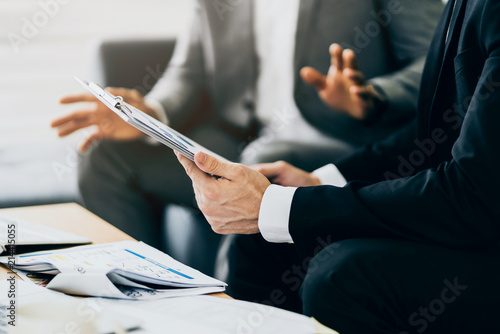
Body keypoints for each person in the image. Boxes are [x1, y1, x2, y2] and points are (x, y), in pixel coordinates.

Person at [175, 0, 500, 332]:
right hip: (467, 211)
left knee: (342, 277)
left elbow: (474, 195)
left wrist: (284, 207)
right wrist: (319, 181)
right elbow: (429, 138)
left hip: (483, 233)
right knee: (262, 241)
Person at [51, 0, 443, 249]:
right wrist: (151, 113)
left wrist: (371, 95)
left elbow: (435, 59)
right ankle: (145, 295)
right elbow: (188, 71)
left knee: (261, 160)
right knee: (107, 157)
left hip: (343, 143)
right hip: (240, 139)